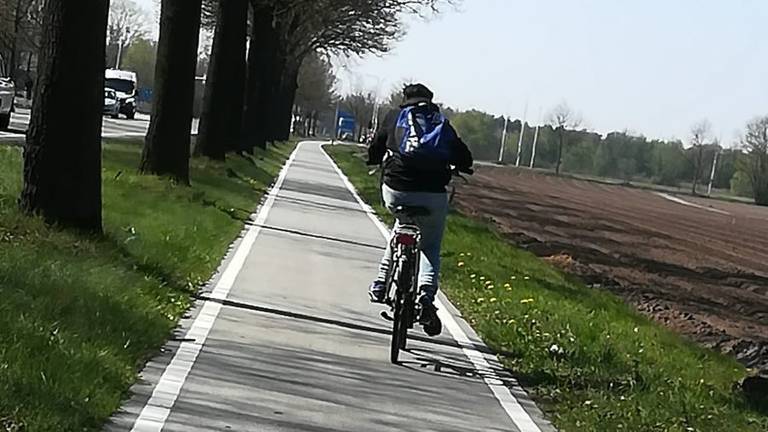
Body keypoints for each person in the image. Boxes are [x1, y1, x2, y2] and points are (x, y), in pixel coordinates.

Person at [366, 83, 473, 336]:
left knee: (401, 223)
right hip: (433, 194)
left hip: (396, 190)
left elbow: (376, 147)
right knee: (430, 246)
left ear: (406, 100)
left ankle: (381, 283)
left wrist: (372, 159)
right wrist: (462, 166)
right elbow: (464, 157)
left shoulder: (394, 117)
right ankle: (425, 298)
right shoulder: (441, 123)